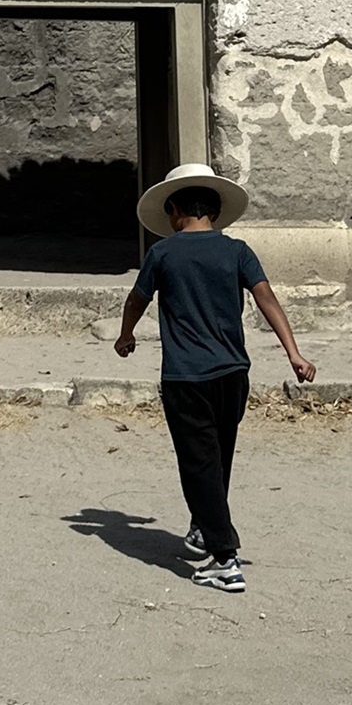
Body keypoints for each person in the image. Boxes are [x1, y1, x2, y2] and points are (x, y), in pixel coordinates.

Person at [114, 163, 315, 594]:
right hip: (234, 374)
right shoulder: (237, 251)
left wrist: (126, 335)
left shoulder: (163, 254)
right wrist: (294, 354)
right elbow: (267, 300)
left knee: (197, 463)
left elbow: (137, 299)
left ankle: (224, 558)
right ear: (214, 213)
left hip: (187, 377)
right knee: (218, 458)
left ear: (175, 209)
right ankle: (205, 529)